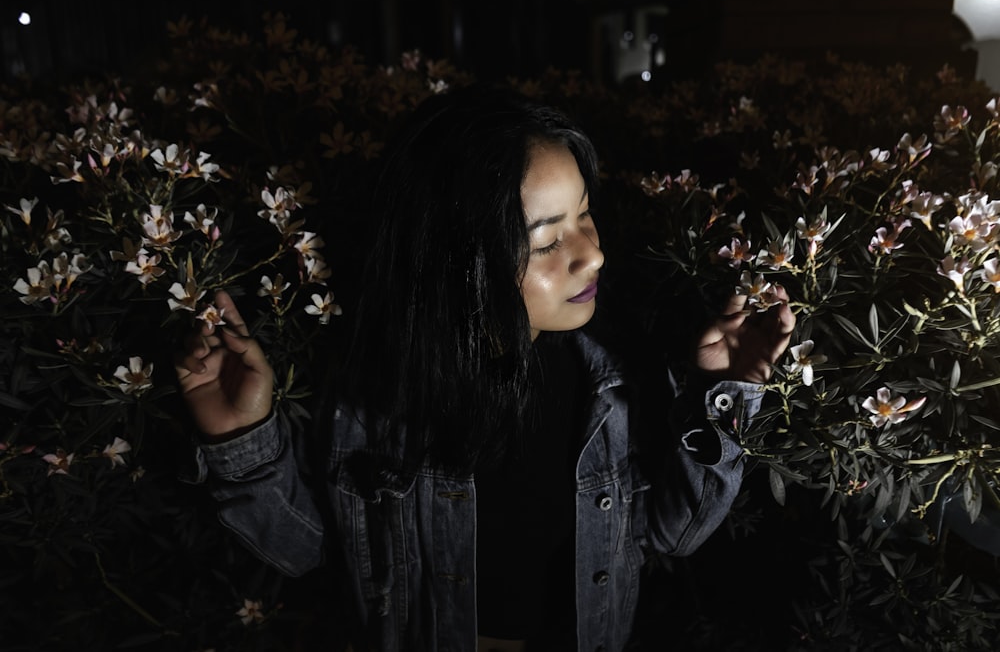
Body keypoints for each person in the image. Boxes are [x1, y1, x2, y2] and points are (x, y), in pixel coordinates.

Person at [175, 84, 795, 652]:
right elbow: (307, 550)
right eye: (548, 241)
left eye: (585, 215)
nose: (593, 253)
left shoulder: (616, 381)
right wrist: (240, 440)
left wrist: (726, 391)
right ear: (457, 263)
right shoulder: (377, 401)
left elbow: (673, 535)